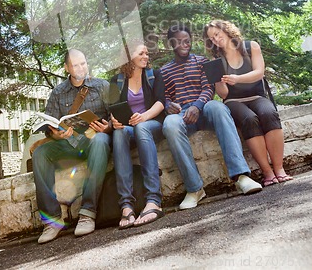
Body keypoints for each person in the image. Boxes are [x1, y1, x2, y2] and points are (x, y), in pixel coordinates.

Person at [161, 24, 262, 210]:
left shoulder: (202, 62)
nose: (184, 44)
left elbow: (208, 88)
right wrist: (169, 105)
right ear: (170, 44)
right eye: (179, 42)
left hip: (204, 109)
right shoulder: (164, 71)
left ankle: (241, 177)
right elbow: (164, 97)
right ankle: (194, 189)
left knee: (219, 108)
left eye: (187, 40)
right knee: (169, 125)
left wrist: (198, 106)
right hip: (182, 115)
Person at [32, 48, 112, 244]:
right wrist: (56, 133)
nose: (80, 68)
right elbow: (50, 127)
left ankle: (87, 213)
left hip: (96, 143)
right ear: (67, 68)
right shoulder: (58, 93)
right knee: (40, 153)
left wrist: (108, 127)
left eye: (83, 63)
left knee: (100, 140)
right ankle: (52, 221)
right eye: (75, 65)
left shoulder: (102, 86)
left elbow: (116, 116)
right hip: (69, 145)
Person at [203, 19, 293, 187]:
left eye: (217, 34)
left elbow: (259, 73)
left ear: (226, 29)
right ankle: (267, 172)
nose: (215, 39)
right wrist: (220, 82)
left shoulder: (251, 47)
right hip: (233, 101)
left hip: (257, 96)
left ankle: (279, 169)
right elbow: (223, 94)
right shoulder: (216, 60)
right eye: (212, 38)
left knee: (269, 113)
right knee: (249, 119)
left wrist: (237, 79)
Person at [109, 41, 165, 229]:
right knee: (118, 134)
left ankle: (154, 201)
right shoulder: (115, 81)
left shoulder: (154, 75)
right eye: (141, 53)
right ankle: (126, 205)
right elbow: (113, 109)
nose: (146, 56)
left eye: (147, 53)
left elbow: (160, 103)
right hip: (129, 128)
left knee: (142, 128)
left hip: (152, 124)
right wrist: (114, 121)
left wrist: (144, 117)